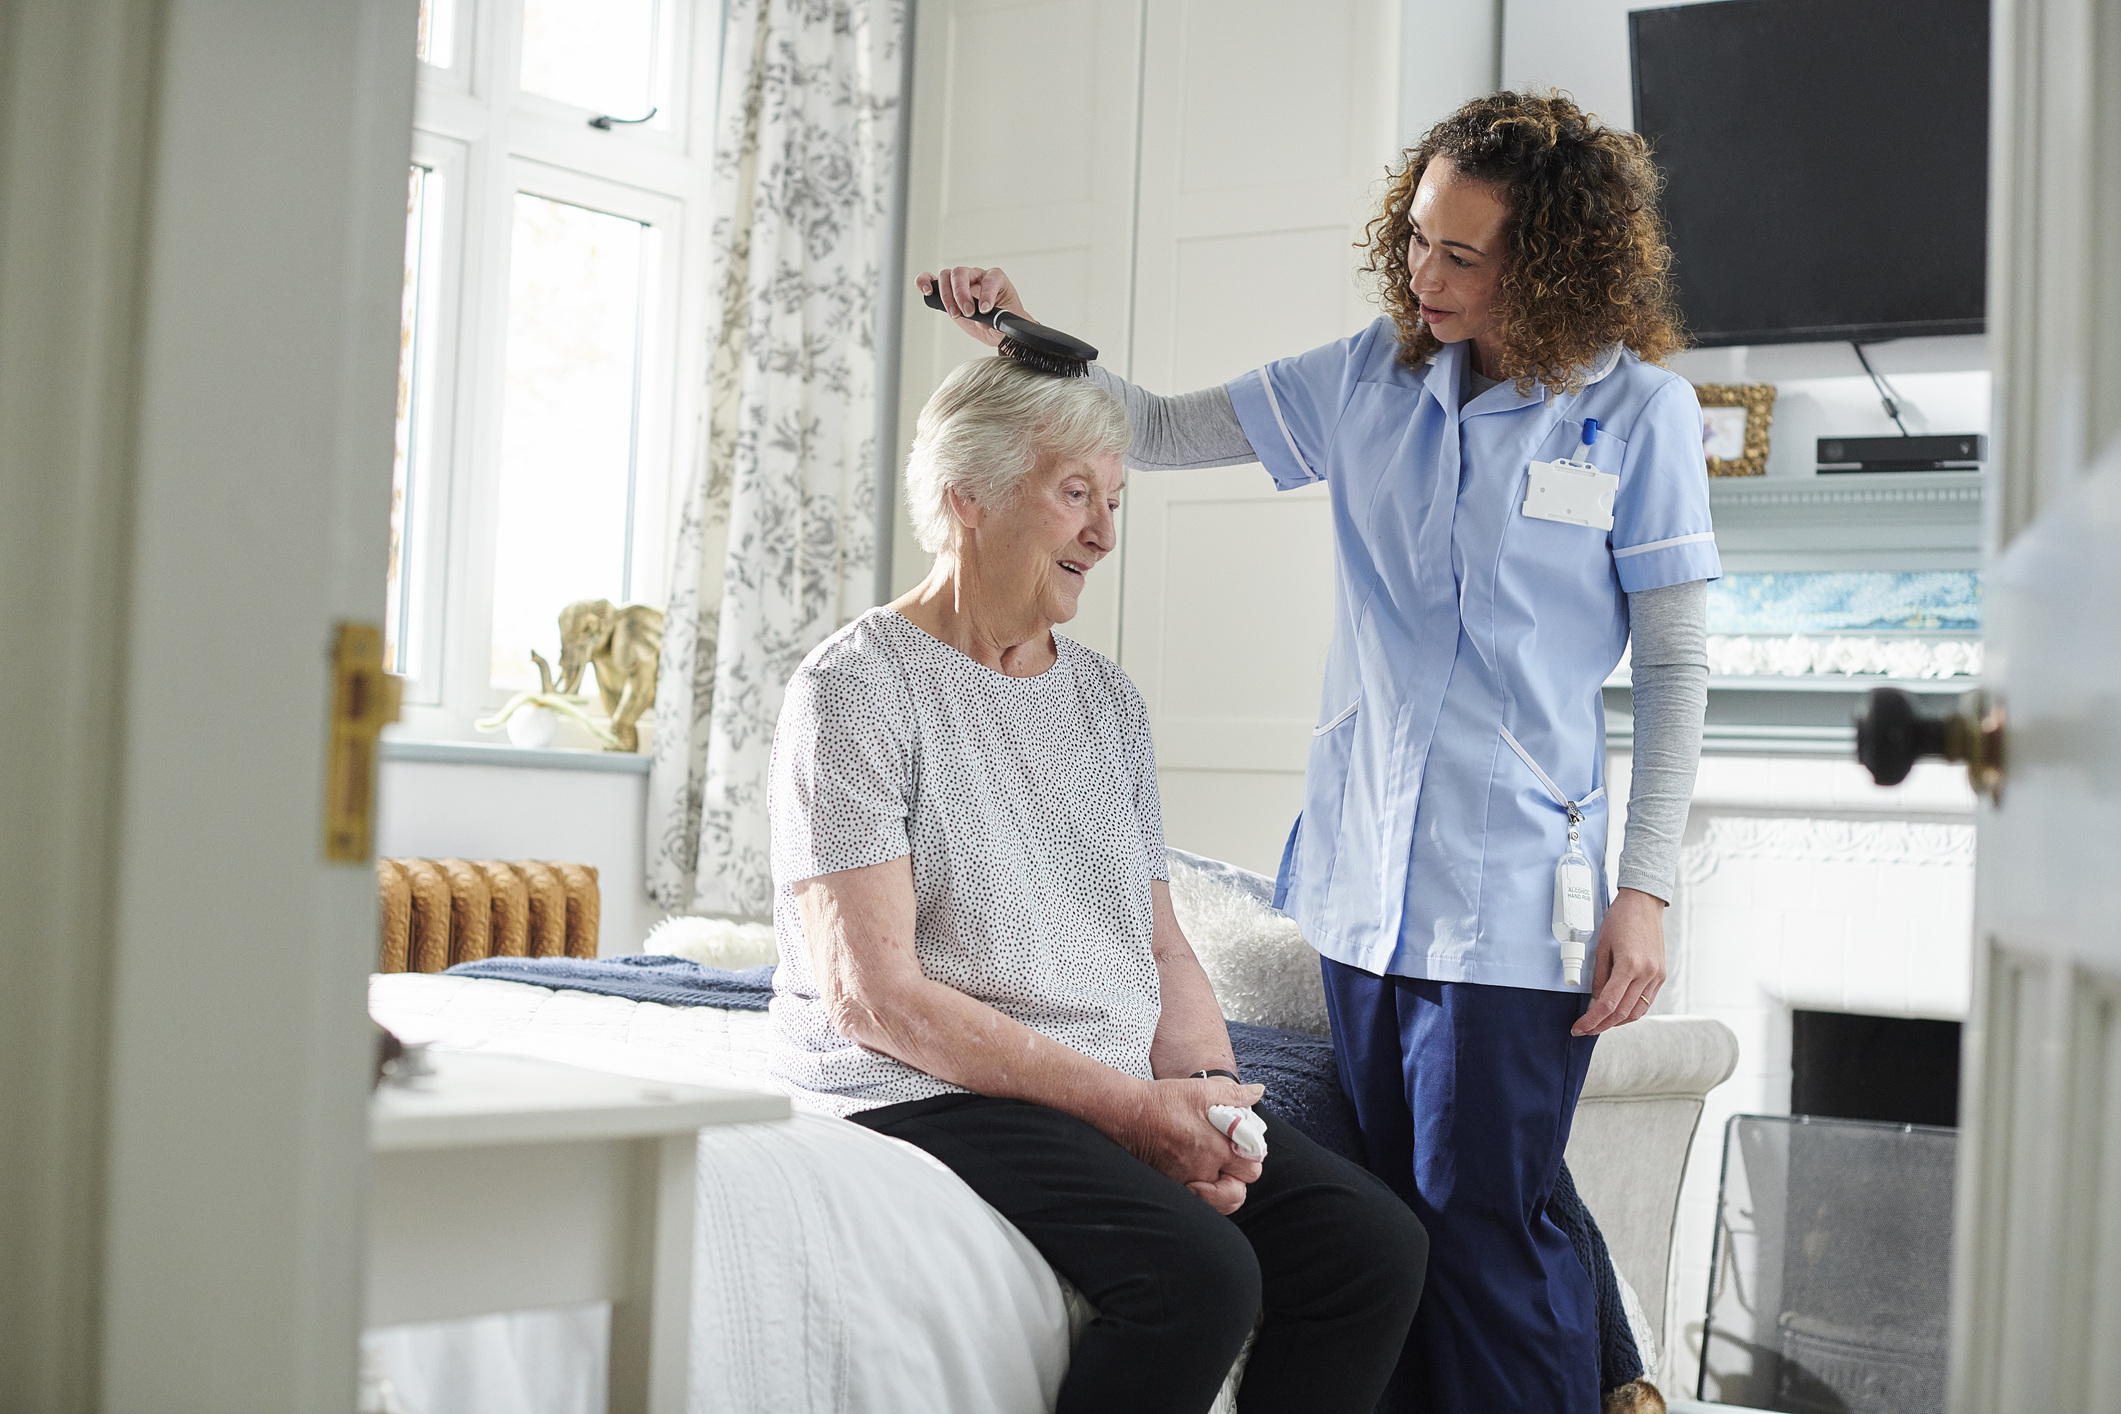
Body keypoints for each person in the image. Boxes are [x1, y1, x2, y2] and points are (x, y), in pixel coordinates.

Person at [919, 90, 1714, 1412]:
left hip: (1521, 893)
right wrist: (1018, 337)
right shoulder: (1370, 378)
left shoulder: (1637, 418)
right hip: (1357, 878)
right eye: (1415, 239)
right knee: (1396, 1217)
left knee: (1483, 1215)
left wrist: (1650, 884)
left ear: (1554, 261)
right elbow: (1158, 428)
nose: (1426, 274)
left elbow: (1679, 663)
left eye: (1465, 254)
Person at [765, 355, 1429, 1414]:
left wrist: (1206, 1100)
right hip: (930, 1083)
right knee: (1198, 1277)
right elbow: (873, 997)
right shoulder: (854, 690)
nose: (1106, 534)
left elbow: (1159, 943)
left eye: (1114, 500)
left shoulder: (1107, 702)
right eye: (1076, 493)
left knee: (1372, 1246)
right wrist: (1132, 1111)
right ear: (965, 497)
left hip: (1093, 1075)